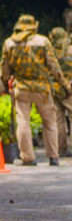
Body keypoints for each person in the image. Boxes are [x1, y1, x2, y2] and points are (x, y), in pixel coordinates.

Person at [0, 15, 68, 166]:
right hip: (42, 89)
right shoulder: (43, 41)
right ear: (34, 26)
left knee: (23, 121)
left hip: (21, 89)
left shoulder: (9, 43)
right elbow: (54, 67)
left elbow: (4, 69)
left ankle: (28, 157)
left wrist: (5, 85)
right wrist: (65, 85)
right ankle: (53, 156)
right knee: (50, 122)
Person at [48, 27, 72, 155]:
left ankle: (61, 148)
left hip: (54, 89)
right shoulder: (70, 49)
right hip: (69, 89)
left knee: (58, 120)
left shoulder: (50, 51)